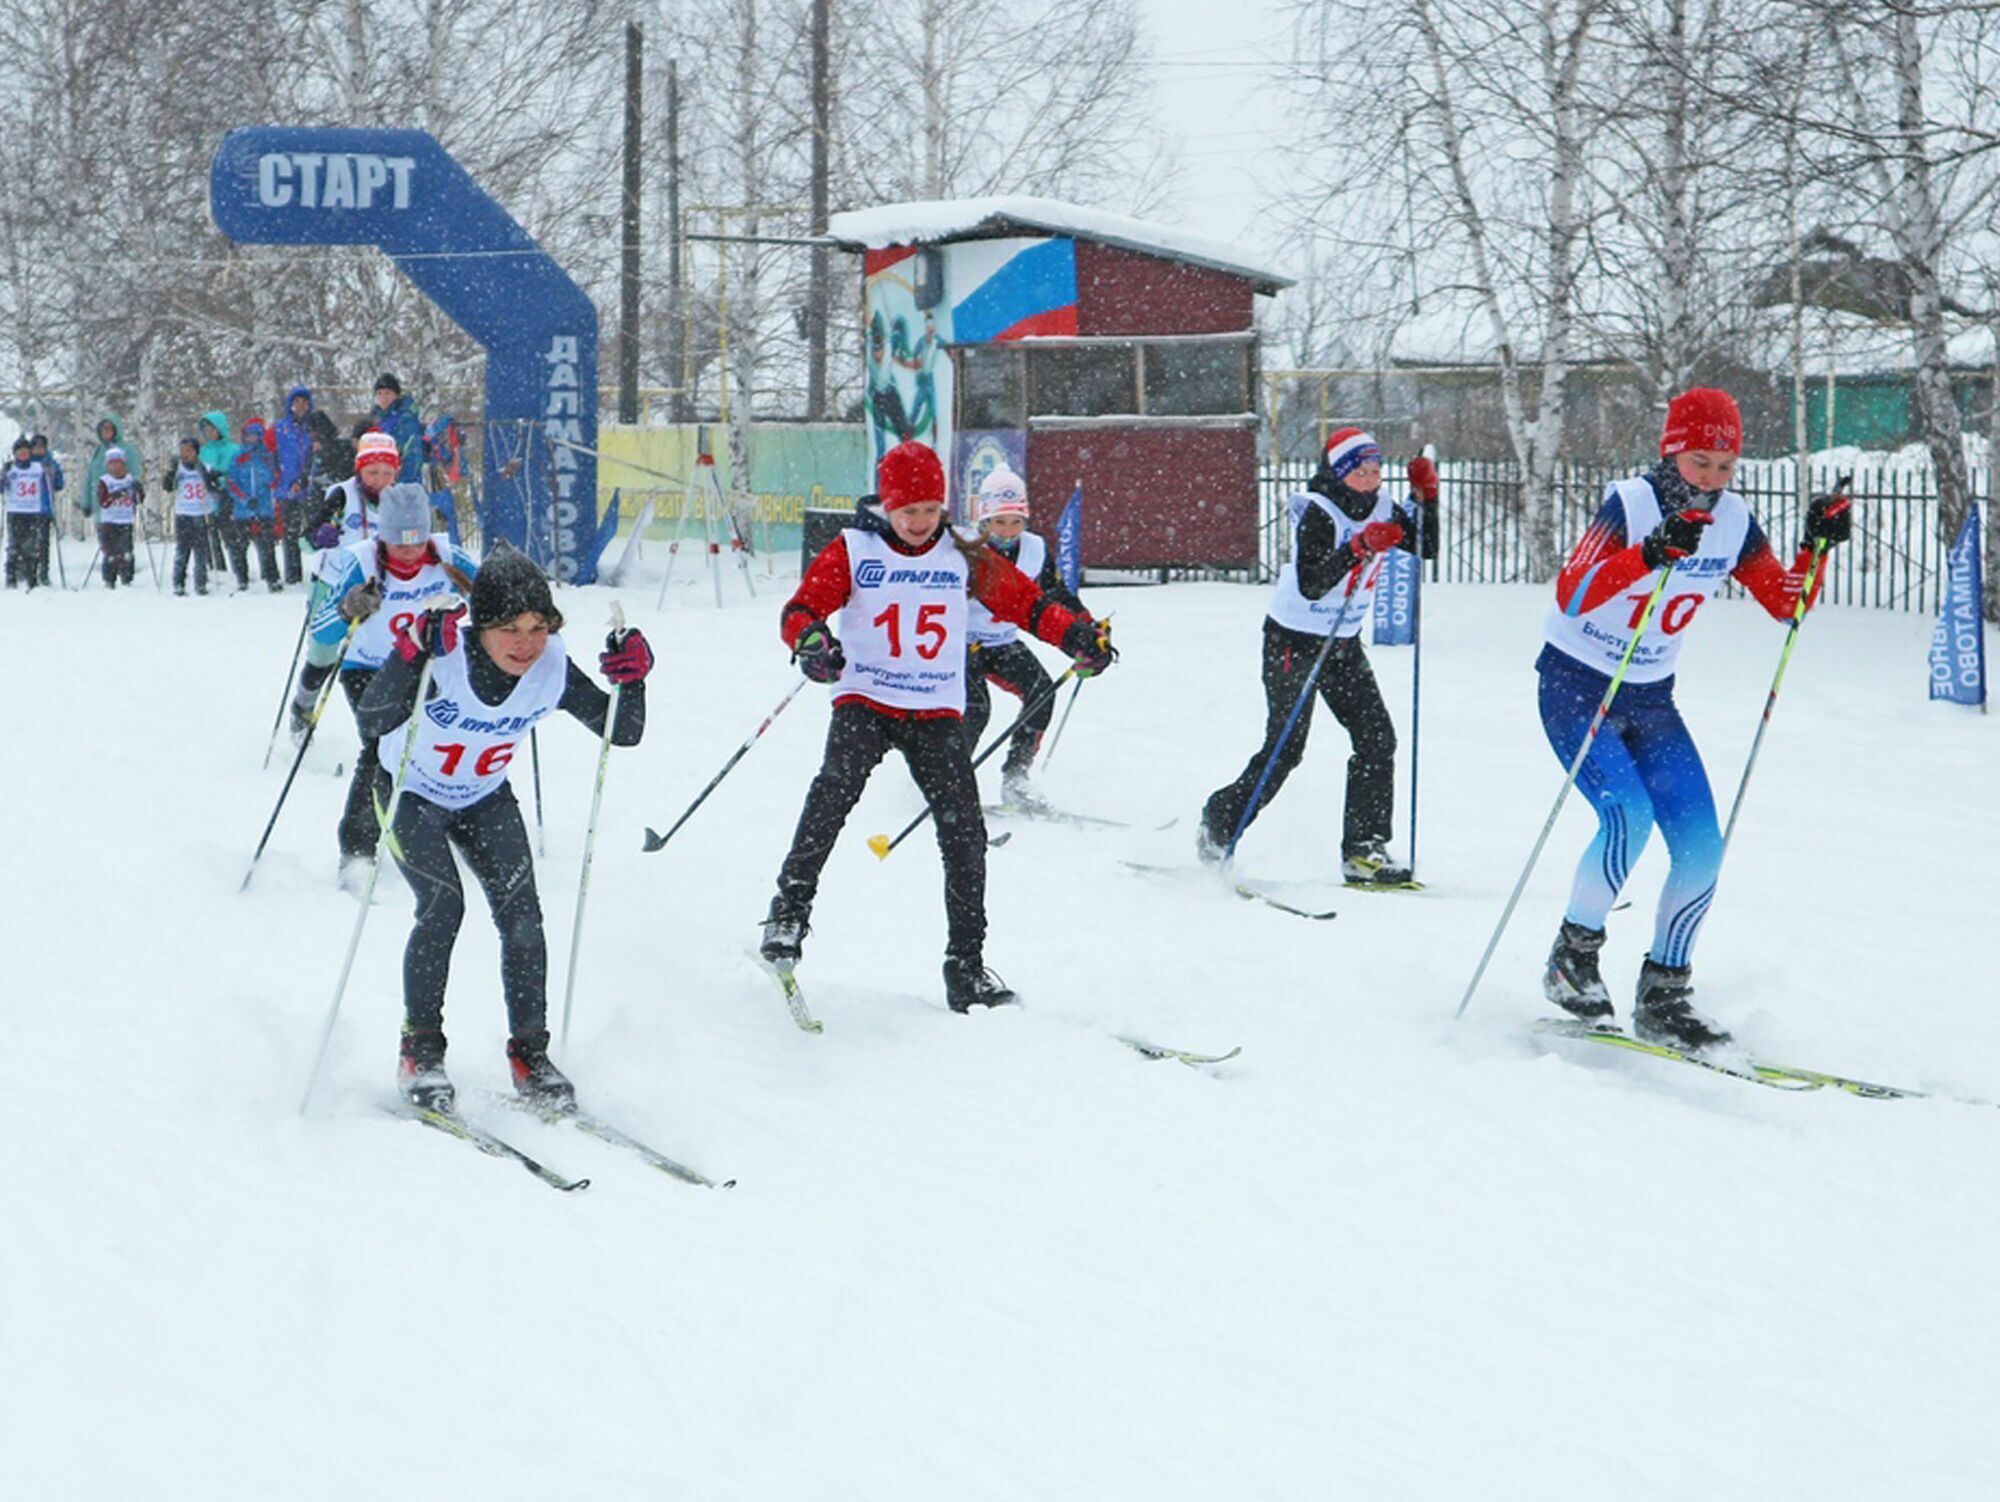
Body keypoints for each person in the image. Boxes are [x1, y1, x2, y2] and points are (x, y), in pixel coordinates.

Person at [1536, 388, 1852, 1049]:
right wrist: (1649, 553)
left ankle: (1665, 993)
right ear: (1672, 450)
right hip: (1579, 686)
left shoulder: (1734, 521)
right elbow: (1573, 592)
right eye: (1698, 461)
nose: (1710, 478)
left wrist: (1815, 549)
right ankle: (1573, 958)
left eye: (1724, 466)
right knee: (1629, 814)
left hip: (1651, 698)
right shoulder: (1632, 503)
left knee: (1703, 846)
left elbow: (1785, 604)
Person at [758, 440, 1115, 1012]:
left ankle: (966, 968)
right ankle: (787, 916)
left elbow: (1026, 604)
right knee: (832, 795)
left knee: (964, 836)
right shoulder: (854, 548)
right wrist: (811, 643)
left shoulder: (963, 552)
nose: (921, 523)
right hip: (867, 699)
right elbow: (800, 611)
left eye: (930, 510)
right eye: (909, 511)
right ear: (888, 507)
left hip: (934, 709)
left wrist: (1075, 636)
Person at [355, 543, 653, 1111]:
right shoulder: (445, 658)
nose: (526, 643)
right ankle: (421, 1052)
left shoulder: (551, 669)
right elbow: (373, 721)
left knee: (522, 917)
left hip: (483, 798)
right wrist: (411, 653)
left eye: (540, 626)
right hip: (410, 795)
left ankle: (530, 1055)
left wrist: (632, 678)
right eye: (510, 628)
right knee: (443, 908)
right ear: (480, 625)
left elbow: (623, 730)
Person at [1198, 429, 1438, 884]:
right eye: (1360, 472)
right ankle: (1219, 822)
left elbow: (1427, 547)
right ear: (1341, 473)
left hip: (1342, 643)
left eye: (1375, 470)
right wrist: (1359, 547)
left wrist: (1427, 498)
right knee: (1286, 750)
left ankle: (1364, 849)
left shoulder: (1386, 504)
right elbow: (1311, 583)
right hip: (1294, 640)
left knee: (1377, 740)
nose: (1370, 479)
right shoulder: (1319, 510)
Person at [292, 483, 479, 889]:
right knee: (382, 748)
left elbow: (494, 596)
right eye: (399, 541)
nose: (409, 551)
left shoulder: (448, 557)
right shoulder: (360, 562)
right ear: (383, 536)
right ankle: (357, 849)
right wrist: (348, 608)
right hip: (369, 669)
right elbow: (322, 629)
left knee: (446, 743)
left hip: (430, 667)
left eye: (417, 540)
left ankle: (448, 826)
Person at [960, 464, 1089, 810]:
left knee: (1041, 694)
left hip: (1001, 640)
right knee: (975, 710)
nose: (1008, 530)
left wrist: (1086, 629)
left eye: (1016, 521)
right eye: (999, 521)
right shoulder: (963, 548)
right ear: (983, 519)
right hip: (959, 643)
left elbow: (1055, 595)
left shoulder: (1034, 549)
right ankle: (948, 782)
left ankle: (1016, 778)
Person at [224, 416, 281, 592]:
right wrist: (244, 499)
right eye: (249, 436)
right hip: (243, 510)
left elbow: (273, 479)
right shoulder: (238, 457)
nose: (252, 439)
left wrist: (264, 496)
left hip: (264, 509)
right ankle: (242, 578)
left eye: (255, 436)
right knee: (240, 546)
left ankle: (272, 578)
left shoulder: (267, 457)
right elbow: (231, 481)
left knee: (267, 546)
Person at [272, 386, 317, 585]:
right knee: (290, 532)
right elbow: (271, 454)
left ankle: (320, 571)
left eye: (304, 402)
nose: (300, 406)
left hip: (310, 485)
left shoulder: (314, 427)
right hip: (286, 486)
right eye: (296, 402)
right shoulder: (280, 428)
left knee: (317, 530)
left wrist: (306, 478)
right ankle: (293, 574)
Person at [353, 372, 425, 484]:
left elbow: (413, 453)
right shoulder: (374, 419)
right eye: (380, 394)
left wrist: (401, 480)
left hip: (401, 482)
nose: (383, 398)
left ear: (396, 395)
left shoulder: (406, 419)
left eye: (387, 393)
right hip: (380, 481)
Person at [81, 415, 142, 540]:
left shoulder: (127, 449)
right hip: (101, 502)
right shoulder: (99, 450)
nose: (106, 432)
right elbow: (90, 476)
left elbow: (135, 473)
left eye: (109, 429)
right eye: (103, 429)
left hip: (121, 506)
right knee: (106, 543)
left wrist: (132, 489)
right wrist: (86, 502)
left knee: (122, 545)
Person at [167, 436, 214, 596]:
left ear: (196, 452)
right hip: (183, 513)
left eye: (188, 450)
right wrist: (171, 471)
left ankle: (201, 583)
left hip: (200, 513)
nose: (185, 454)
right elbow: (167, 486)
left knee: (201, 551)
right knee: (182, 550)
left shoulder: (204, 467)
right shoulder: (178, 469)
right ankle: (178, 582)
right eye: (182, 451)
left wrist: (210, 477)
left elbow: (213, 485)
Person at [93, 447, 143, 587]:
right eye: (111, 464)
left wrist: (138, 489)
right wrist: (117, 494)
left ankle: (127, 578)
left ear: (123, 464)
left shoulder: (130, 479)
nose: (115, 467)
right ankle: (109, 579)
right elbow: (103, 502)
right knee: (110, 552)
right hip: (109, 521)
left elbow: (139, 500)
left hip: (125, 520)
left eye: (118, 463)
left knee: (126, 551)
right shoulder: (105, 481)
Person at [5, 435, 49, 590]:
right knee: (14, 546)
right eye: (20, 452)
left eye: (26, 451)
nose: (23, 454)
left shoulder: (38, 468)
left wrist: (51, 474)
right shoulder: (10, 468)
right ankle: (11, 577)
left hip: (33, 511)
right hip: (15, 511)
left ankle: (32, 578)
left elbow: (51, 486)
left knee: (32, 547)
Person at [196, 410, 237, 573]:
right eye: (206, 430)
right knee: (209, 533)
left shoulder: (232, 449)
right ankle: (215, 566)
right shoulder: (203, 451)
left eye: (213, 429)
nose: (210, 433)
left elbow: (234, 471)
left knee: (230, 534)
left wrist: (220, 478)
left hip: (227, 495)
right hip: (207, 496)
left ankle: (236, 565)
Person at [29, 433, 63, 584]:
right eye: (35, 447)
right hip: (28, 509)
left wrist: (53, 475)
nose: (38, 450)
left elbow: (59, 484)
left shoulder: (50, 463)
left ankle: (43, 573)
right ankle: (29, 572)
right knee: (29, 543)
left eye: (41, 447)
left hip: (44, 509)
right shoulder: (27, 463)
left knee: (43, 543)